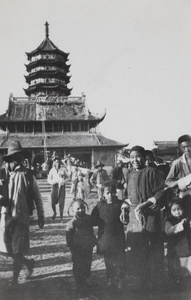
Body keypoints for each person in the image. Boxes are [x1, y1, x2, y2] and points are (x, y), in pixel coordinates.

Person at [0, 140, 44, 286]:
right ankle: (28, 263)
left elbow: (37, 197)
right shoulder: (2, 174)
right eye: (11, 158)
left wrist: (41, 216)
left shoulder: (27, 175)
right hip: (5, 217)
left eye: (16, 158)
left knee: (17, 250)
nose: (13, 161)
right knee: (7, 248)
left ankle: (14, 279)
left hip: (21, 217)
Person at [121, 145, 165, 291]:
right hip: (135, 219)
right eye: (132, 157)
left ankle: (155, 285)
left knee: (152, 249)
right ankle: (142, 283)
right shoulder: (130, 175)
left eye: (138, 156)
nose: (135, 160)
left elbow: (162, 192)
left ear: (144, 157)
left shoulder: (152, 172)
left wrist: (147, 203)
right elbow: (129, 197)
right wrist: (124, 207)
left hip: (151, 217)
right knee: (137, 250)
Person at [91, 180, 127, 290]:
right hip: (105, 238)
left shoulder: (120, 204)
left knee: (120, 260)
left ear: (115, 193)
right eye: (107, 193)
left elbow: (126, 215)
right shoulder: (99, 205)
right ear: (103, 194)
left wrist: (125, 209)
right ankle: (110, 279)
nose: (110, 195)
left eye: (112, 192)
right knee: (108, 260)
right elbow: (93, 220)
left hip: (117, 237)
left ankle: (121, 279)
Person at [66, 199, 97, 296]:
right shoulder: (72, 223)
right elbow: (69, 236)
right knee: (78, 266)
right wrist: (71, 246)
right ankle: (79, 284)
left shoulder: (89, 219)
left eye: (83, 208)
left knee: (87, 264)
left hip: (88, 247)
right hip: (77, 248)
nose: (81, 210)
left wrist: (93, 240)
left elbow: (97, 222)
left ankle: (85, 281)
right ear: (73, 210)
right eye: (78, 209)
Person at [165, 198, 191, 287]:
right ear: (170, 211)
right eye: (174, 210)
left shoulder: (187, 219)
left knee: (187, 270)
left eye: (179, 209)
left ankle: (186, 285)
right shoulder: (169, 221)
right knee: (178, 270)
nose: (177, 212)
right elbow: (169, 231)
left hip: (187, 249)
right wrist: (180, 225)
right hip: (177, 250)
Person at [166, 134, 191, 219]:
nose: (187, 149)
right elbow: (168, 182)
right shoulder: (177, 163)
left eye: (189, 146)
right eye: (184, 147)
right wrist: (182, 182)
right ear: (180, 148)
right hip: (185, 197)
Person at [47, 155, 69, 222]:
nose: (58, 163)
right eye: (56, 162)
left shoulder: (63, 169)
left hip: (61, 187)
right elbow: (48, 179)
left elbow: (68, 177)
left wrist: (64, 181)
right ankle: (54, 212)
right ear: (54, 163)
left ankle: (61, 217)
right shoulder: (52, 170)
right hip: (54, 187)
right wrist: (52, 182)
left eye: (59, 162)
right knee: (53, 202)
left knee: (61, 202)